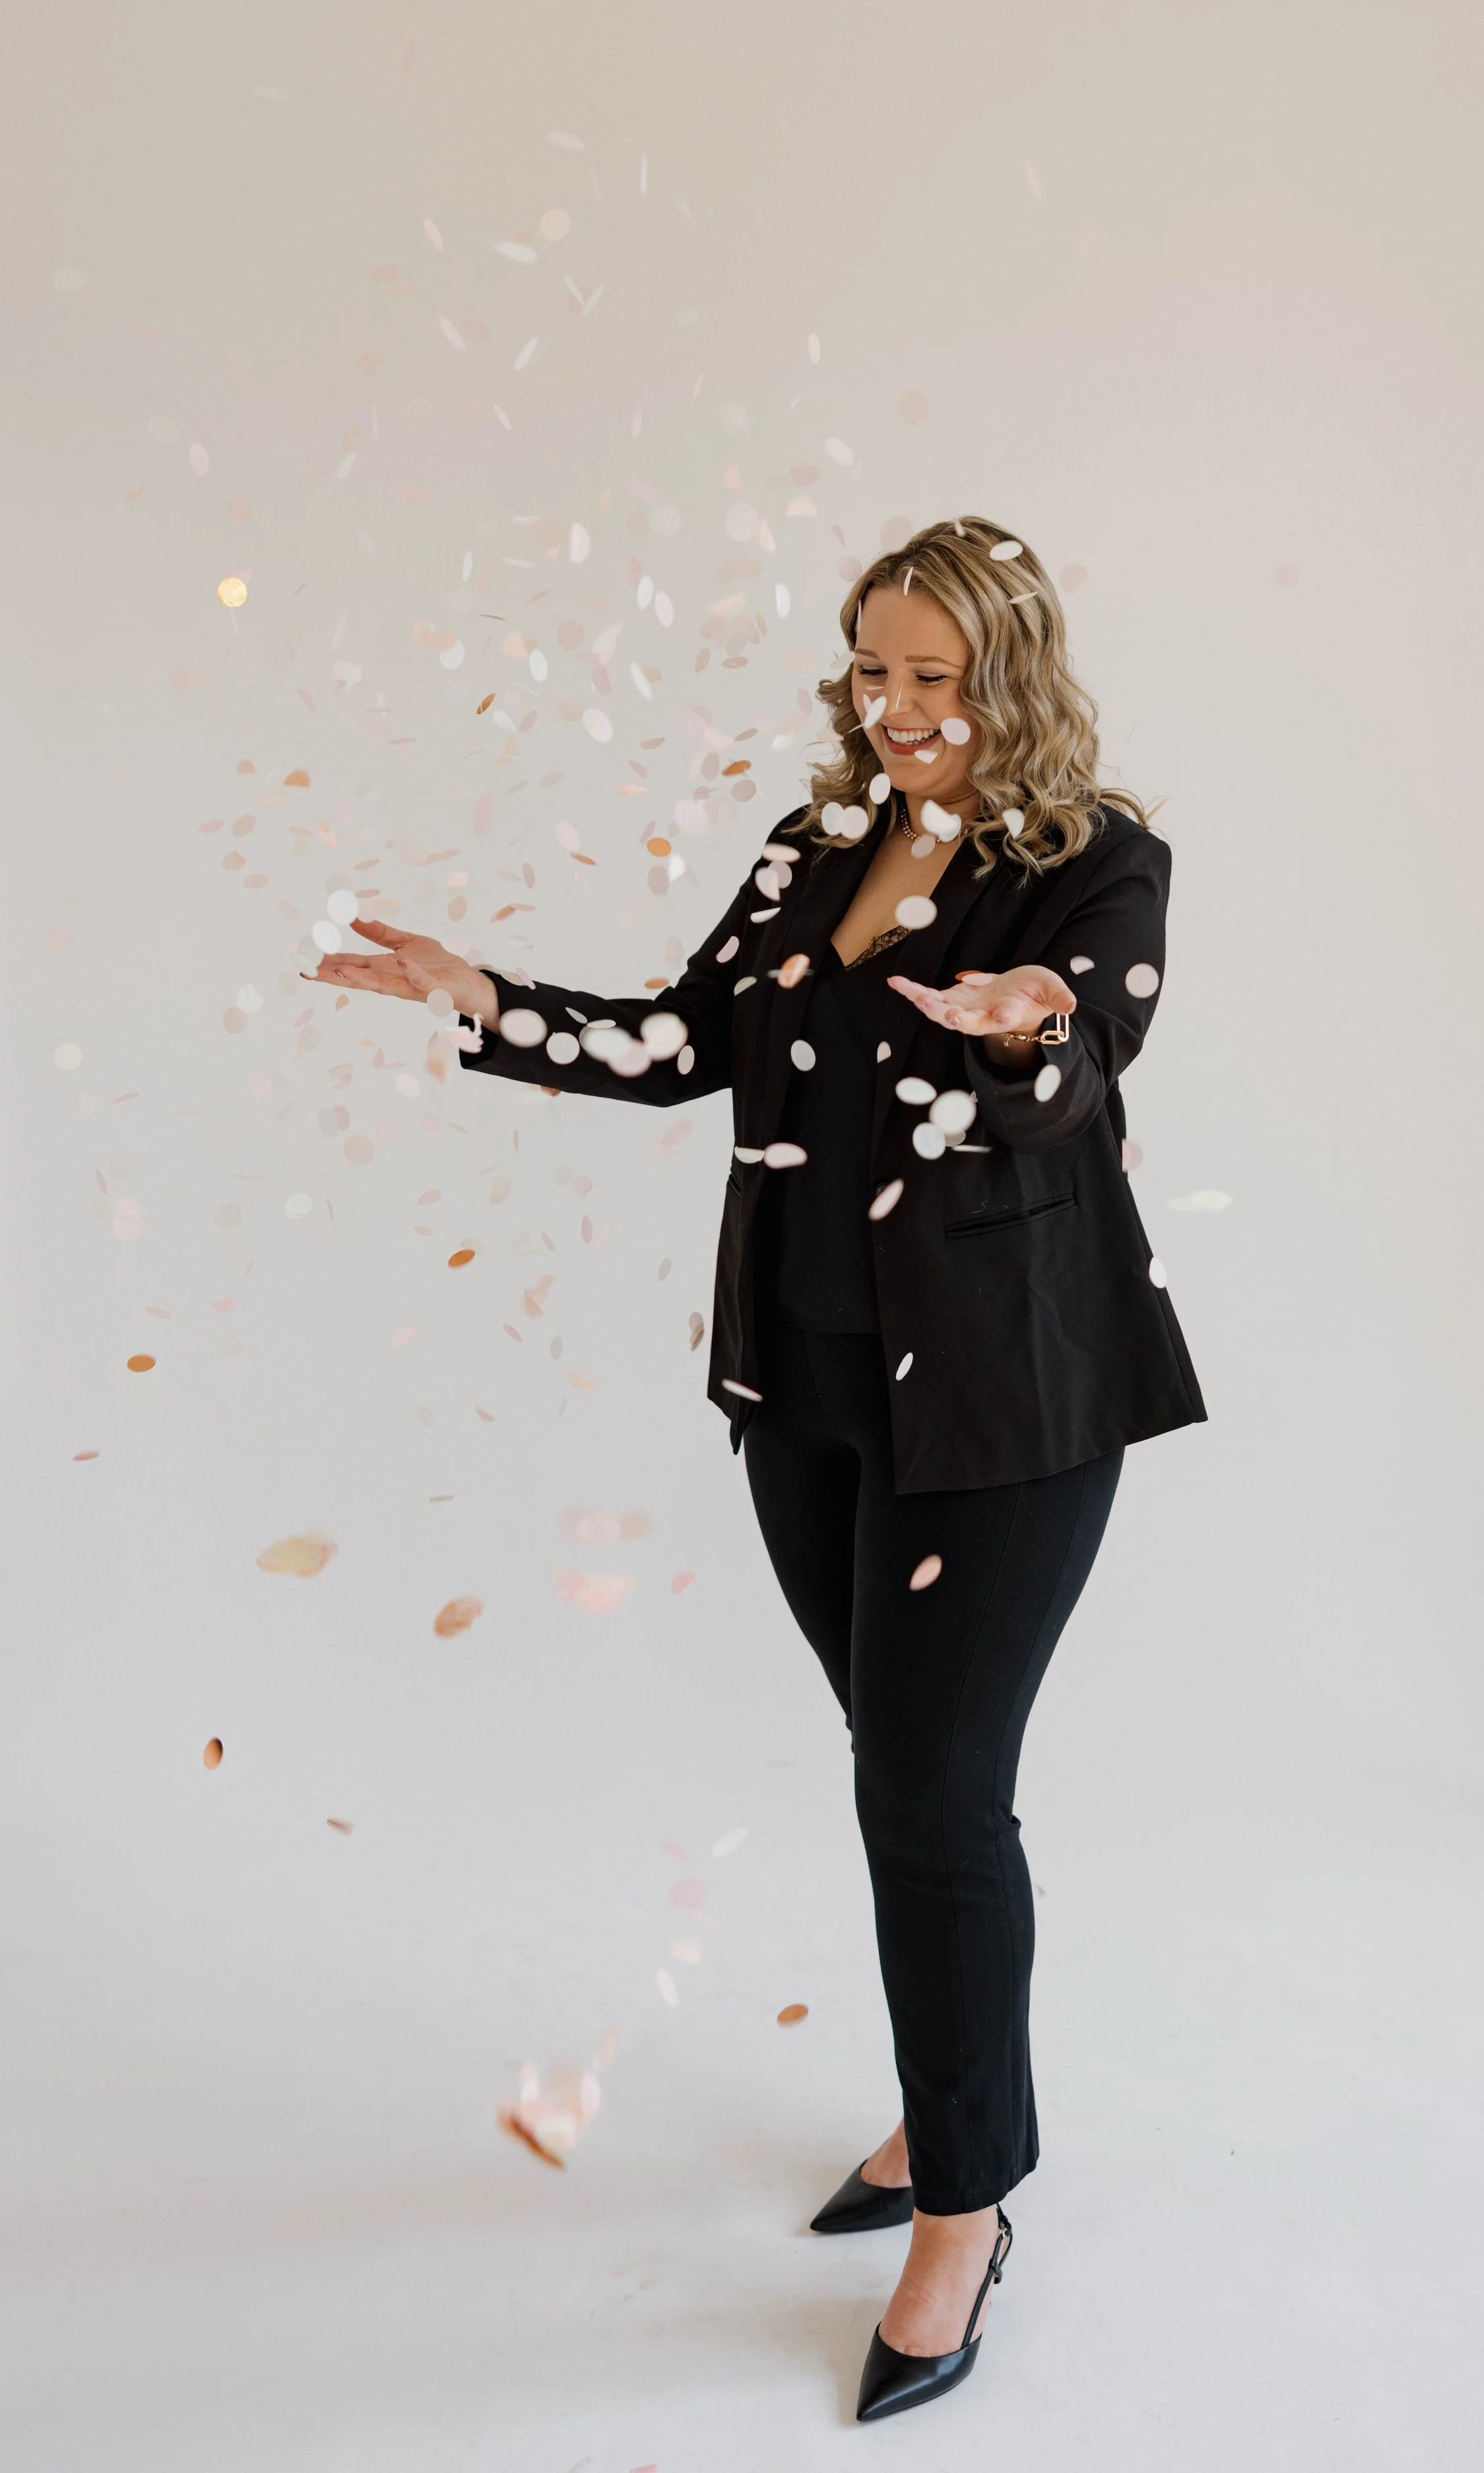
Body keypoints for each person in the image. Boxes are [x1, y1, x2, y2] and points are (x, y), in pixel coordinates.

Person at [313, 515, 1206, 2422]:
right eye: (867, 669)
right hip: (802, 1393)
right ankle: (946, 2098)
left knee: (934, 1795)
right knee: (906, 1776)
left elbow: (1084, 1043)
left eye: (930, 677)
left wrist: (1021, 1020)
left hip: (1003, 1404)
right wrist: (487, 1002)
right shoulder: (812, 848)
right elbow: (687, 1042)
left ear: (1010, 676)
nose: (889, 710)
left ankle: (964, 2204)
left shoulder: (1095, 860)